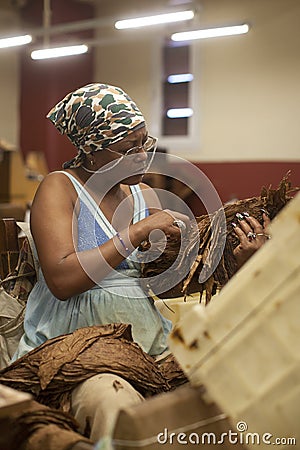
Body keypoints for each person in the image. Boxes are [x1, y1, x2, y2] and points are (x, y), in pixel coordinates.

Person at [12, 83, 270, 440]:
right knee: (115, 407)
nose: (142, 156)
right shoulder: (61, 187)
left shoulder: (143, 194)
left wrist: (238, 264)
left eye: (145, 143)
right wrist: (134, 234)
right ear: (90, 151)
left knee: (217, 389)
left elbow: (165, 284)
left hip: (147, 340)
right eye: (126, 149)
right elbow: (62, 280)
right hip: (75, 344)